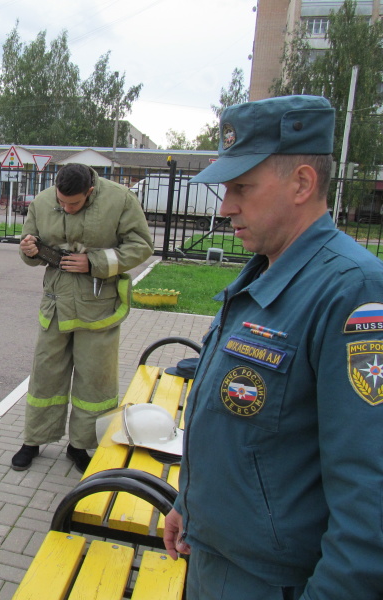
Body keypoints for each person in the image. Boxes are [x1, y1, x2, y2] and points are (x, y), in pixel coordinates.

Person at [163, 95, 383, 599]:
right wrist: (188, 503)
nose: (226, 207)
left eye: (242, 187)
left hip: (274, 583)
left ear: (302, 183)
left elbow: (370, 501)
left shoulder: (353, 292)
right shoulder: (270, 269)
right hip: (213, 558)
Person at [12, 163, 153, 473]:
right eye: (61, 202)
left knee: (95, 381)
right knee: (46, 374)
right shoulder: (43, 201)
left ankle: (80, 446)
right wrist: (29, 250)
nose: (65, 208)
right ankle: (33, 440)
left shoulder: (120, 200)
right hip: (56, 305)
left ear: (91, 191)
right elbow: (28, 249)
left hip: (97, 308)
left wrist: (95, 262)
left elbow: (141, 246)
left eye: (73, 204)